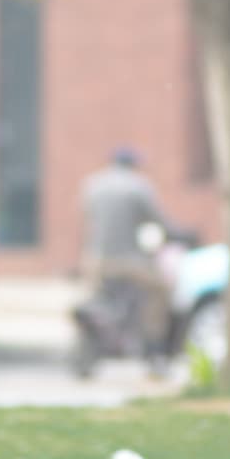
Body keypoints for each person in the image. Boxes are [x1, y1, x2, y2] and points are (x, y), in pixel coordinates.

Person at [78, 147, 176, 366]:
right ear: (133, 164)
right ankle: (154, 347)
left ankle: (89, 331)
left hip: (96, 260)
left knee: (92, 295)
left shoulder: (92, 185)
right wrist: (178, 233)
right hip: (129, 261)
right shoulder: (138, 187)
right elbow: (158, 219)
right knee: (160, 291)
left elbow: (87, 218)